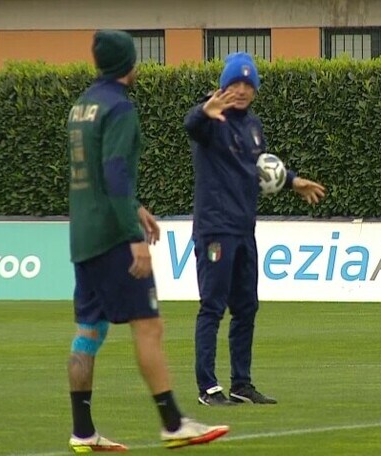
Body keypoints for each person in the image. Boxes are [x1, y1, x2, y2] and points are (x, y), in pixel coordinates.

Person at [65, 30, 229, 451]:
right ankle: (173, 423)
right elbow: (116, 173)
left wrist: (135, 207)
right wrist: (134, 235)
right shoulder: (120, 108)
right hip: (112, 237)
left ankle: (83, 432)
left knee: (88, 331)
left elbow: (98, 173)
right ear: (128, 64)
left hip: (83, 234)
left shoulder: (82, 106)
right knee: (149, 326)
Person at [184, 52, 326, 406]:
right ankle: (207, 387)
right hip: (216, 229)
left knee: (246, 307)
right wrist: (204, 111)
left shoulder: (253, 125)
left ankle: (241, 384)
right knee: (212, 306)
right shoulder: (210, 118)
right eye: (236, 83)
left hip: (244, 229)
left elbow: (258, 166)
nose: (243, 90)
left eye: (249, 84)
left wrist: (292, 181)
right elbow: (191, 126)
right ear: (223, 85)